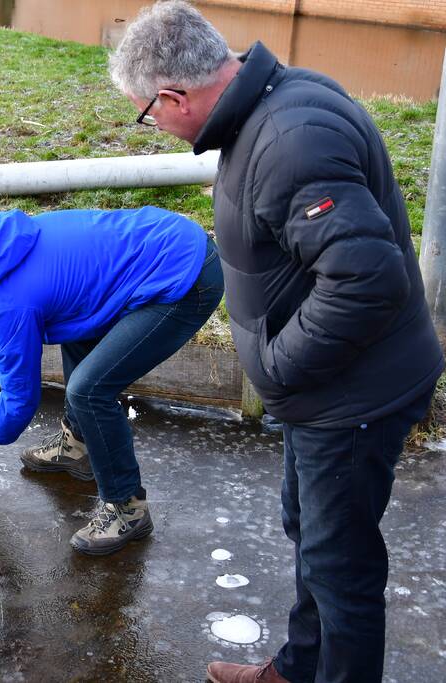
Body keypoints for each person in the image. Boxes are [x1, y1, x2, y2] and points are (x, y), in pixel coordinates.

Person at [109, 3, 444, 682]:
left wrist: (281, 368)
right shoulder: (273, 104)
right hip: (326, 391)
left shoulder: (288, 139)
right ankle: (296, 669)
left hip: (350, 396)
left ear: (173, 95)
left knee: (340, 566)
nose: (156, 127)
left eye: (147, 113)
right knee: (313, 537)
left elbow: (365, 279)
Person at [0, 206, 223, 555]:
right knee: (76, 326)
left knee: (90, 391)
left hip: (184, 277)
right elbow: (24, 319)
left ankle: (129, 509)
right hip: (164, 241)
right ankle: (77, 445)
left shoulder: (6, 304)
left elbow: (21, 397)